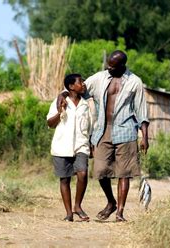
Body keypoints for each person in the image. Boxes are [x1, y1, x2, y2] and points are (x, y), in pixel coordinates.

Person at [57, 50, 149, 222]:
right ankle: (111, 201)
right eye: (108, 64)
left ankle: (120, 212)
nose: (109, 68)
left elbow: (142, 110)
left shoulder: (135, 82)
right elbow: (75, 88)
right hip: (102, 130)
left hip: (126, 130)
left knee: (124, 172)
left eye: (113, 66)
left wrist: (144, 136)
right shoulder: (99, 77)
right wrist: (61, 96)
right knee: (101, 171)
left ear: (122, 66)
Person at [47, 73, 93, 222]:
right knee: (65, 180)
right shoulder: (59, 101)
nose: (84, 84)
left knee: (83, 173)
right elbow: (50, 123)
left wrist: (91, 143)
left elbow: (91, 126)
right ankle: (69, 213)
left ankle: (78, 206)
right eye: (81, 82)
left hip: (81, 145)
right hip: (62, 145)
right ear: (72, 86)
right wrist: (60, 111)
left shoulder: (86, 104)